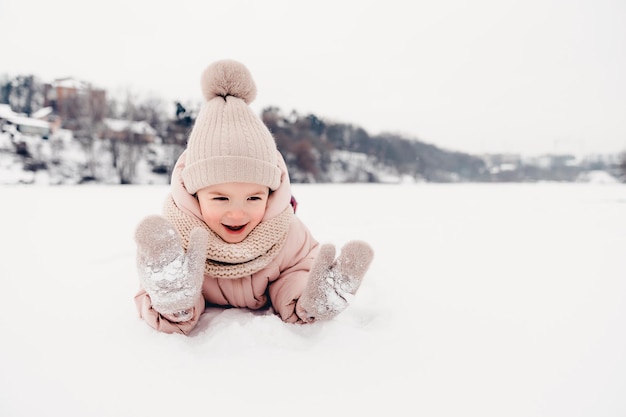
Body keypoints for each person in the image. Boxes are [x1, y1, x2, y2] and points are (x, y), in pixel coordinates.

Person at [133, 59, 374, 334]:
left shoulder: (286, 232)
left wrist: (305, 298)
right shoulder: (177, 236)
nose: (237, 213)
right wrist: (173, 303)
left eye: (254, 198)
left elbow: (296, 270)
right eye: (220, 199)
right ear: (193, 194)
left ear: (272, 194)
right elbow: (150, 291)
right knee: (174, 291)